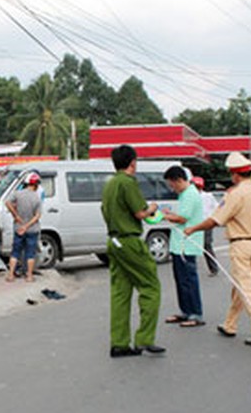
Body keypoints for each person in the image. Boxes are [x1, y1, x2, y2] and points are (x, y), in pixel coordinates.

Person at [185, 152, 251, 346]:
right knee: (241, 287)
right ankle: (230, 324)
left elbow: (216, 220)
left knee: (247, 289)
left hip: (241, 245)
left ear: (235, 174)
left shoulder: (235, 194)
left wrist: (193, 228)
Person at [101, 145, 165, 357]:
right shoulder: (128, 182)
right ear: (132, 162)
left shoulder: (109, 184)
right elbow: (141, 213)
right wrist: (153, 208)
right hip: (130, 240)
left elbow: (105, 210)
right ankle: (144, 339)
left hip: (114, 240)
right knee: (151, 287)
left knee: (120, 292)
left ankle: (119, 343)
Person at [162, 166, 205, 328]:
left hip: (186, 244)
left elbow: (182, 218)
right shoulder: (184, 195)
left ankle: (195, 313)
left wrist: (163, 216)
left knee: (188, 280)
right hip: (180, 244)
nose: (171, 188)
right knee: (181, 280)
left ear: (179, 180)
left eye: (172, 184)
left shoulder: (190, 194)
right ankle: (186, 311)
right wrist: (168, 214)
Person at [5, 173, 42, 283]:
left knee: (15, 252)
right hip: (32, 229)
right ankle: (29, 276)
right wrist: (27, 226)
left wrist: (15, 215)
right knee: (30, 253)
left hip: (18, 228)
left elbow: (7, 202)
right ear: (36, 185)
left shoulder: (17, 194)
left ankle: (11, 275)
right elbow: (37, 216)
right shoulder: (37, 197)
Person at [192, 176, 220, 276]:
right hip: (198, 224)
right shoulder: (193, 197)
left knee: (206, 246)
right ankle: (211, 268)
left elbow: (216, 207)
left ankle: (214, 268)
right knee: (197, 246)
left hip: (206, 223)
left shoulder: (207, 196)